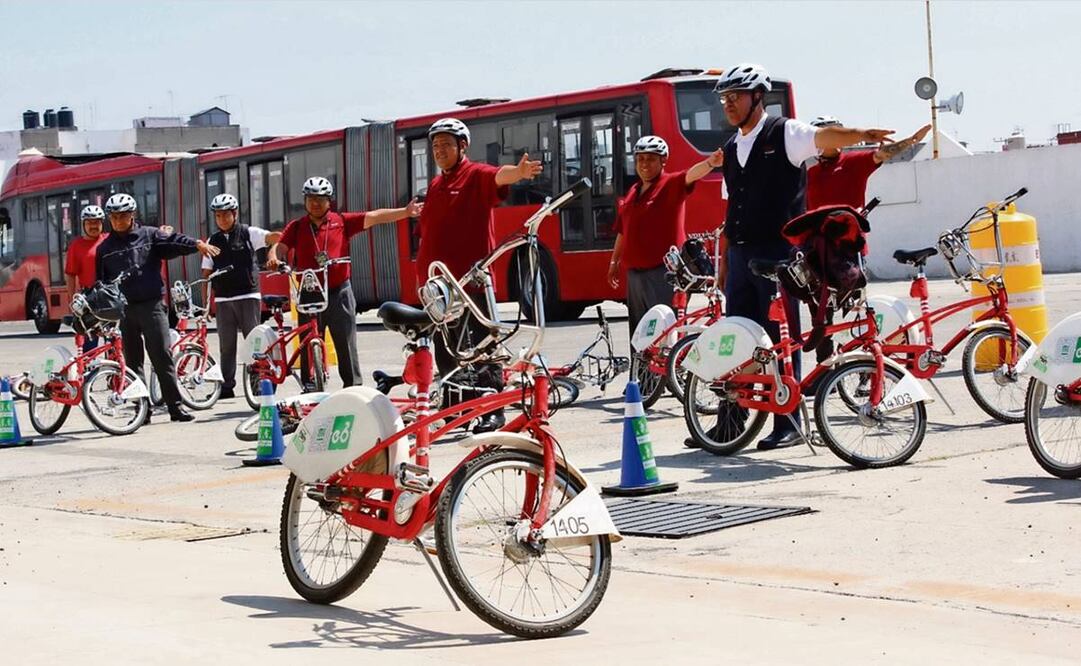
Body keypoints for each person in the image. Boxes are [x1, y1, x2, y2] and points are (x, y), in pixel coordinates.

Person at [709, 63, 894, 450]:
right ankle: (732, 421)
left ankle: (789, 422)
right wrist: (726, 261)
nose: (728, 104)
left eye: (736, 96)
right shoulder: (730, 149)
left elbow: (824, 136)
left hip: (778, 254)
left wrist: (861, 134)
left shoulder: (784, 132)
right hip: (741, 255)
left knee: (781, 338)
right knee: (738, 338)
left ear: (757, 98)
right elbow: (731, 211)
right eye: (724, 98)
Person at [397, 117, 540, 433]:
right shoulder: (436, 184)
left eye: (446, 144)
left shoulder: (474, 175)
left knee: (484, 347)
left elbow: (498, 177)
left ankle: (492, 410)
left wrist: (518, 172)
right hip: (438, 288)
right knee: (448, 349)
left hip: (471, 282)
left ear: (463, 146)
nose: (439, 151)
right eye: (435, 146)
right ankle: (452, 407)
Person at [268, 177, 420, 389]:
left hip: (340, 291)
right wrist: (274, 257)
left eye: (320, 199)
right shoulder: (297, 226)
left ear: (329, 201)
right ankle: (309, 387)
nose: (315, 203)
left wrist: (405, 212)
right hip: (309, 292)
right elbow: (280, 246)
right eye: (311, 199)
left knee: (346, 343)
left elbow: (374, 217)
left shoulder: (341, 222)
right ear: (305, 201)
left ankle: (353, 387)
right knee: (307, 341)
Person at [806, 117, 932, 363]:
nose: (824, 142)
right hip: (819, 250)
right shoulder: (809, 173)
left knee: (860, 308)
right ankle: (825, 367)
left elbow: (883, 153)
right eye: (820, 137)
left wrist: (912, 140)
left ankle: (868, 362)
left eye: (831, 135)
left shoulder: (855, 162)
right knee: (820, 312)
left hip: (849, 249)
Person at [95, 193, 220, 422]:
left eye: (123, 216)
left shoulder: (150, 235)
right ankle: (141, 411)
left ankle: (175, 407)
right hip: (126, 311)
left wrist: (197, 245)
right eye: (113, 217)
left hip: (152, 306)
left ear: (132, 215)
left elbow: (173, 241)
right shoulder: (105, 249)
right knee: (132, 363)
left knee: (162, 357)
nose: (118, 220)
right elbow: (101, 283)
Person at [606, 135, 724, 339]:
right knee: (639, 335)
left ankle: (670, 371)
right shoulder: (633, 191)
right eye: (640, 159)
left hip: (664, 275)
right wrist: (614, 262)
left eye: (650, 159)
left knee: (665, 334)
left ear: (663, 160)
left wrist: (710, 163)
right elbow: (622, 231)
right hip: (635, 277)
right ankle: (640, 372)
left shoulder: (670, 184)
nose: (644, 164)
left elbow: (691, 175)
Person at [201, 194, 281, 400]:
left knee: (254, 343)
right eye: (217, 216)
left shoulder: (248, 233)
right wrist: (205, 305)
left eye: (225, 215)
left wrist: (273, 252)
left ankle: (259, 385)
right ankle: (227, 386)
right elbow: (206, 274)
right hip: (223, 300)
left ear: (234, 214)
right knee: (226, 345)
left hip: (248, 295)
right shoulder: (212, 240)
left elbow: (277, 237)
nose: (221, 219)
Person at [65, 205, 108, 353]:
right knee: (89, 347)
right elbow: (70, 275)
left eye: (97, 222)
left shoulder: (109, 240)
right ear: (84, 224)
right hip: (88, 300)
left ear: (102, 223)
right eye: (89, 222)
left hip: (110, 298)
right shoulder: (76, 246)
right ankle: (89, 374)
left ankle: (115, 375)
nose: (93, 226)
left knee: (114, 343)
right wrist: (71, 302)